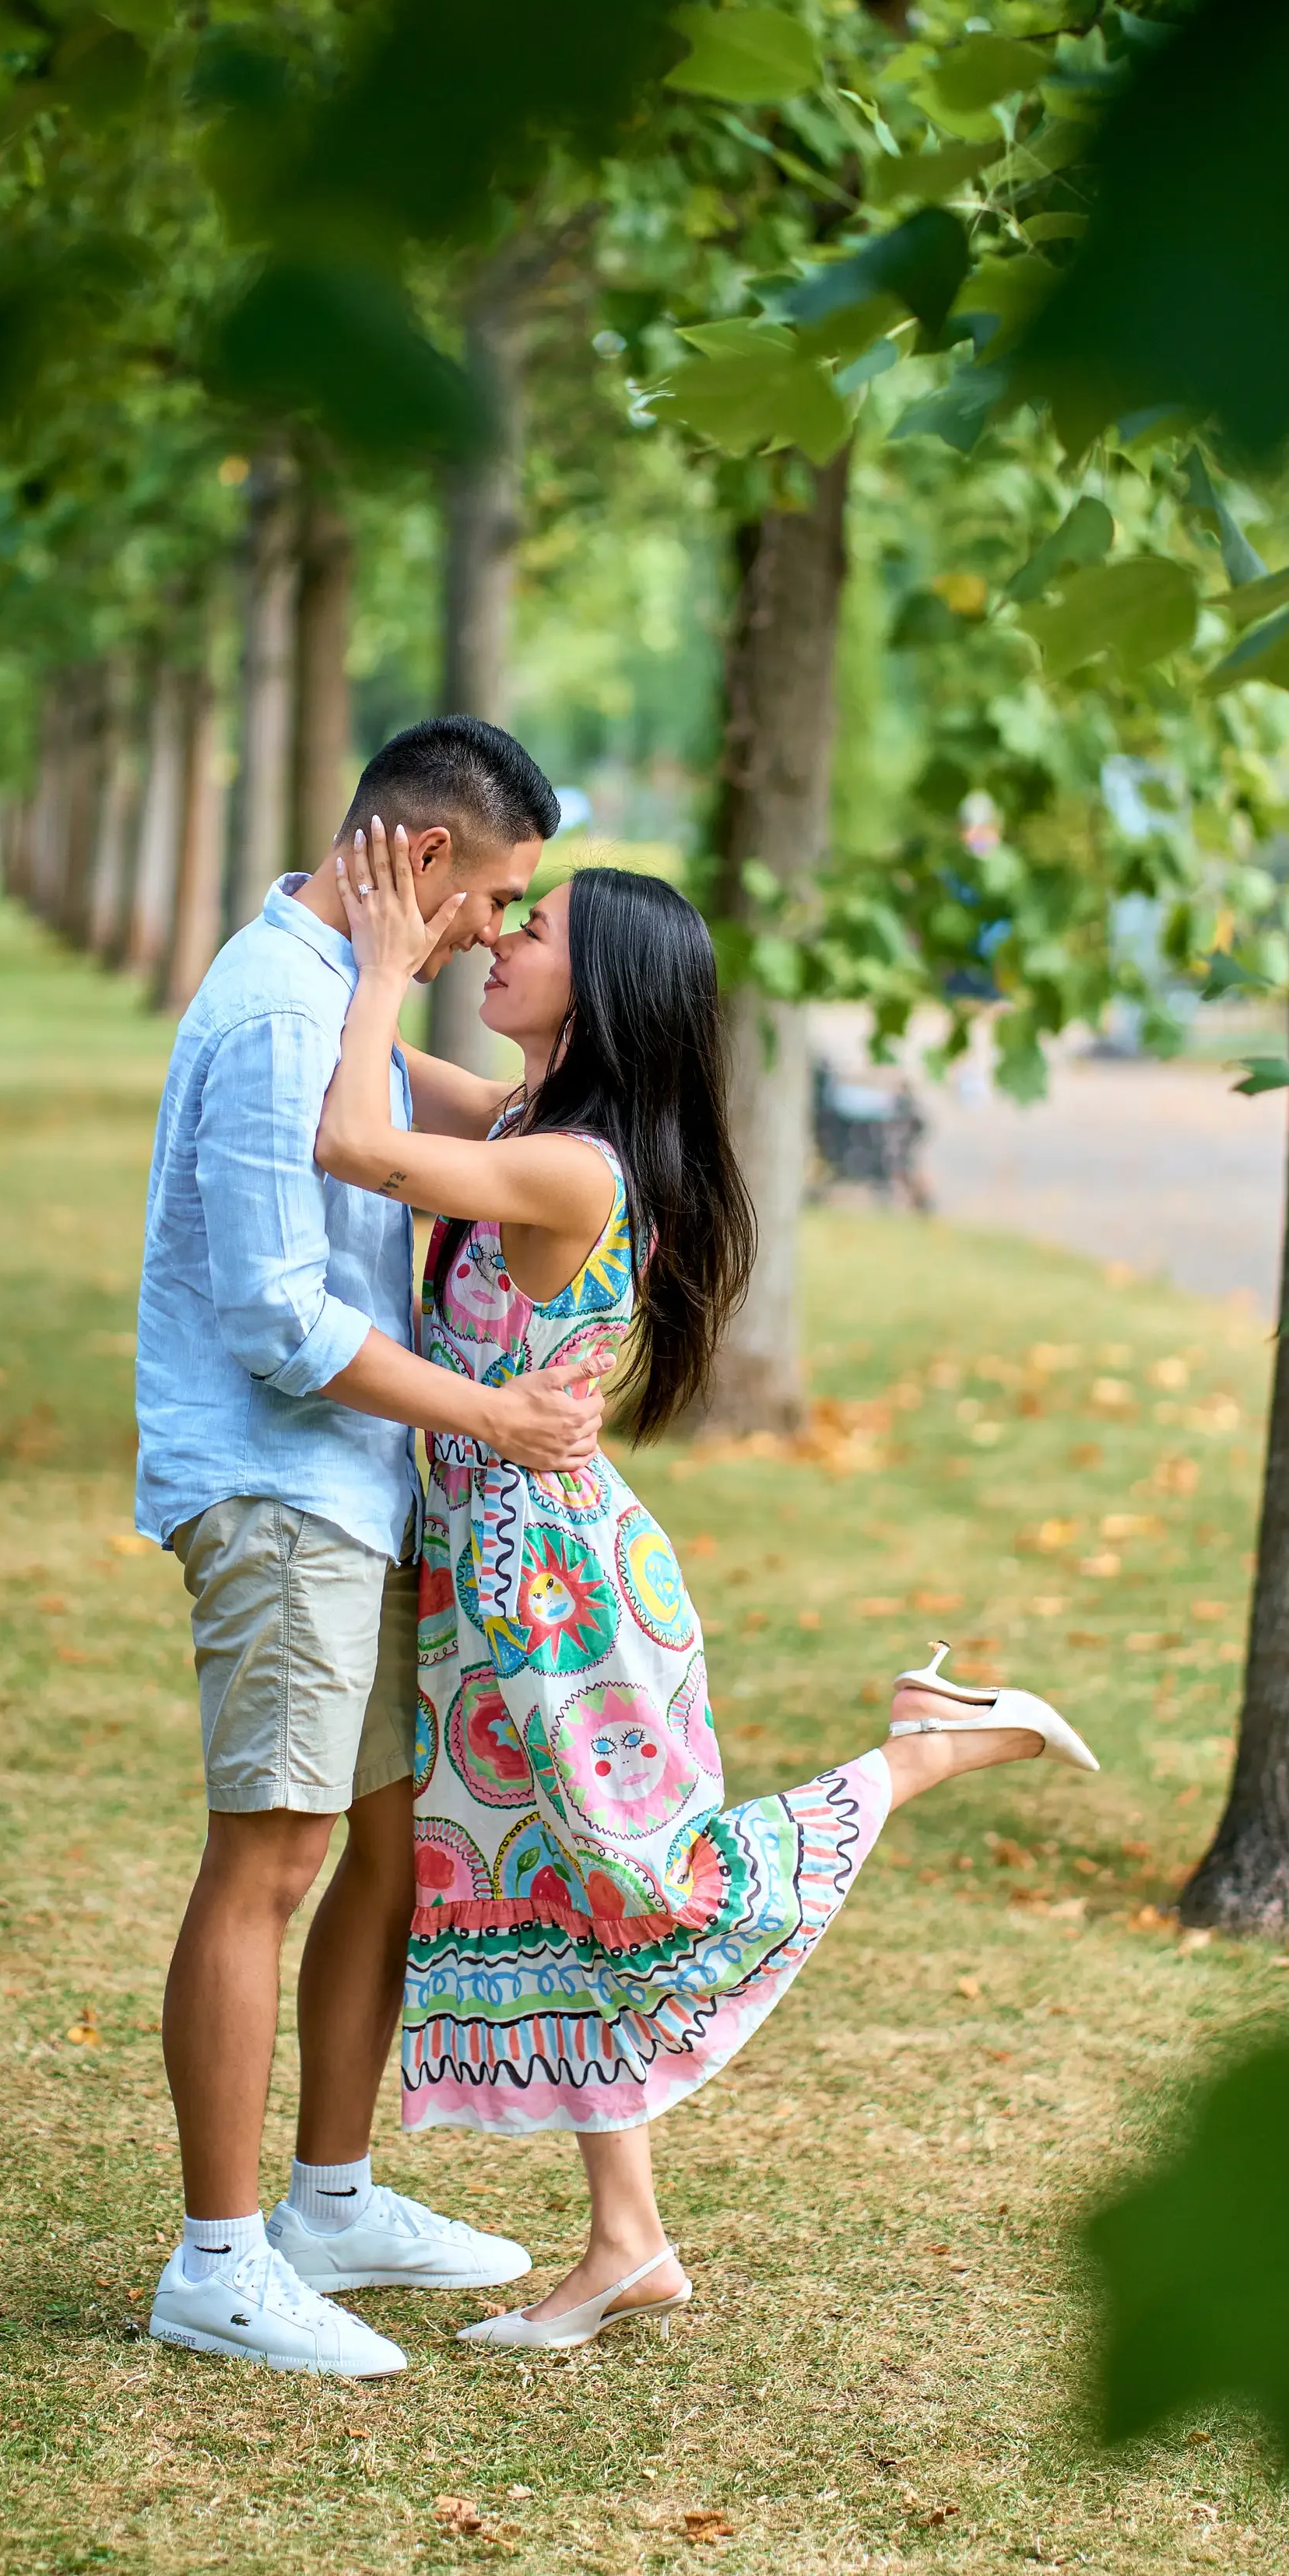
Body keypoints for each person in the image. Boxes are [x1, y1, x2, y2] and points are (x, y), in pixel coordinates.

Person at [315, 819, 1098, 2350]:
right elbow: (379, 1080)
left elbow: (357, 1139)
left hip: (553, 1595)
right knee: (568, 1891)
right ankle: (627, 2241)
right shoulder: (532, 1117)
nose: (500, 940)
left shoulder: (566, 1166)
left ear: (598, 988)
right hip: (495, 1578)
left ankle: (919, 1748)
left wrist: (382, 967)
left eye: (531, 930)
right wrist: (367, 949)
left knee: (650, 1881)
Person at [134, 718, 612, 2379]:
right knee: (267, 1856)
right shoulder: (288, 1012)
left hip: (353, 1489)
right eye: (492, 895)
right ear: (418, 861)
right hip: (281, 1490)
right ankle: (217, 2262)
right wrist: (491, 1418)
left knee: (386, 1842)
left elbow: (495, 1130)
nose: (493, 929)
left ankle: (327, 2202)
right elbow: (278, 1316)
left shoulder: (343, 1004)